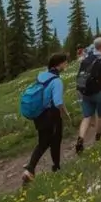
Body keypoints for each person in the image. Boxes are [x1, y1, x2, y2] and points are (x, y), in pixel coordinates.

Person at [22, 53, 70, 185]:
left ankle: (31, 168)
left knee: (43, 142)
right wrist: (64, 114)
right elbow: (58, 101)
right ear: (59, 64)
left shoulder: (42, 75)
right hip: (52, 115)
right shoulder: (57, 81)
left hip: (39, 115)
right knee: (56, 140)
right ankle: (54, 167)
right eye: (65, 62)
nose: (67, 65)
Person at [75, 36, 101, 155]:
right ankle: (97, 139)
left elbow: (80, 77)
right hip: (99, 92)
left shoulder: (86, 59)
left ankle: (80, 139)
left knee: (87, 117)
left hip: (85, 93)